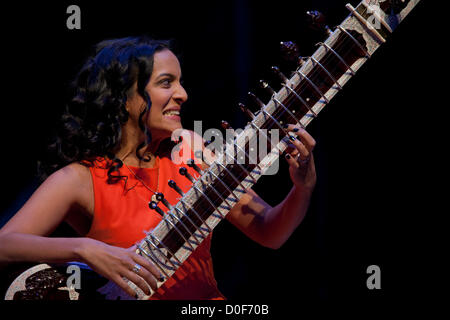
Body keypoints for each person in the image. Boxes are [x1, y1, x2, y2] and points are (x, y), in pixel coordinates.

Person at [0, 36, 317, 300]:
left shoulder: (191, 151)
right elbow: (4, 244)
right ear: (125, 97)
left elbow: (269, 231)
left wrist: (302, 188)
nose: (183, 94)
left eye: (180, 82)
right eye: (167, 83)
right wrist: (83, 250)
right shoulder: (79, 179)